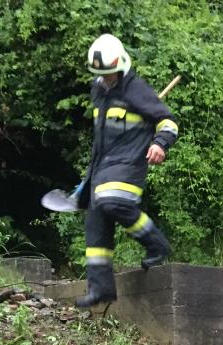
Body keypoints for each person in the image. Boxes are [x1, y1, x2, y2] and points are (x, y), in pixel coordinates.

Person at [76, 34, 179, 308]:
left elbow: (169, 122)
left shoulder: (137, 90)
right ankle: (101, 288)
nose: (106, 79)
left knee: (113, 202)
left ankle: (157, 244)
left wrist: (160, 144)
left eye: (110, 74)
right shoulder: (98, 90)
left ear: (120, 67)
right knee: (95, 218)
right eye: (102, 75)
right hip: (103, 165)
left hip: (129, 164)